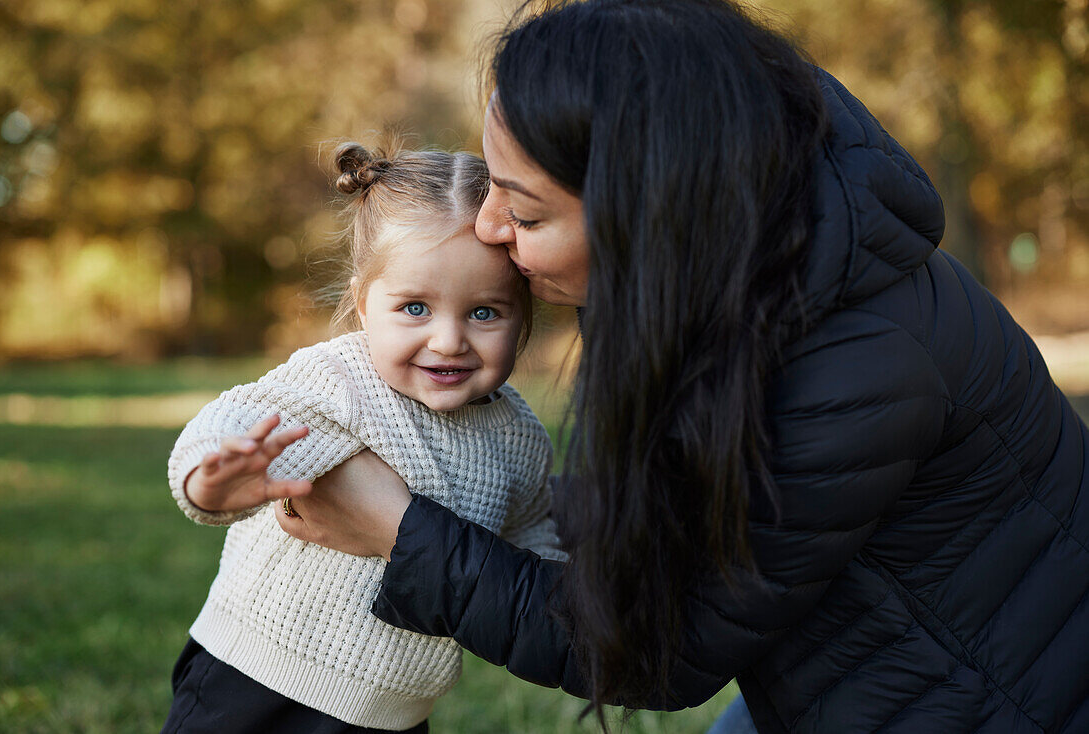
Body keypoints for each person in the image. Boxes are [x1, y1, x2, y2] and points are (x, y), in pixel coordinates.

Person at [275, 1, 1089, 733]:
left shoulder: (848, 373)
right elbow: (663, 514)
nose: (489, 228)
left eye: (524, 210)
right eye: (494, 190)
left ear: (647, 211)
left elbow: (657, 644)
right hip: (864, 674)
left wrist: (401, 532)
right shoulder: (742, 262)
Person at [161, 142, 564, 734]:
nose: (449, 340)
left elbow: (531, 539)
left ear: (522, 317)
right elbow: (235, 418)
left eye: (484, 313)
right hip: (254, 677)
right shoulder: (342, 381)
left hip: (393, 711)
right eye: (415, 307)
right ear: (363, 305)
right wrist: (213, 477)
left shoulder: (519, 436)